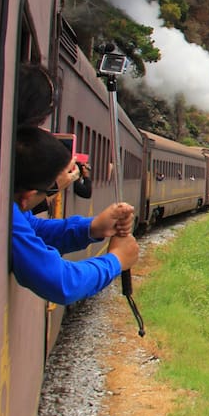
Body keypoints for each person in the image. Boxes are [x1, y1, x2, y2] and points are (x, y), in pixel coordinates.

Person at [12, 126, 139, 305]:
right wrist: (116, 260)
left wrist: (92, 227)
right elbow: (63, 283)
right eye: (52, 190)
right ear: (27, 198)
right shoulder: (8, 218)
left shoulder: (15, 212)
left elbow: (35, 228)